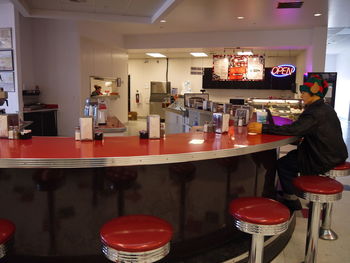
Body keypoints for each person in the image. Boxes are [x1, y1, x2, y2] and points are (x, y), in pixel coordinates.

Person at [247, 75, 348, 210]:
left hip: (322, 157)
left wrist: (263, 128)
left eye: (304, 92)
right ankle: (301, 191)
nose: (301, 95)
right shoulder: (326, 108)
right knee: (292, 158)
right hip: (334, 153)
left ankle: (291, 199)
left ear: (314, 93)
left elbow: (294, 129)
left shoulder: (314, 112)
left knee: (283, 164)